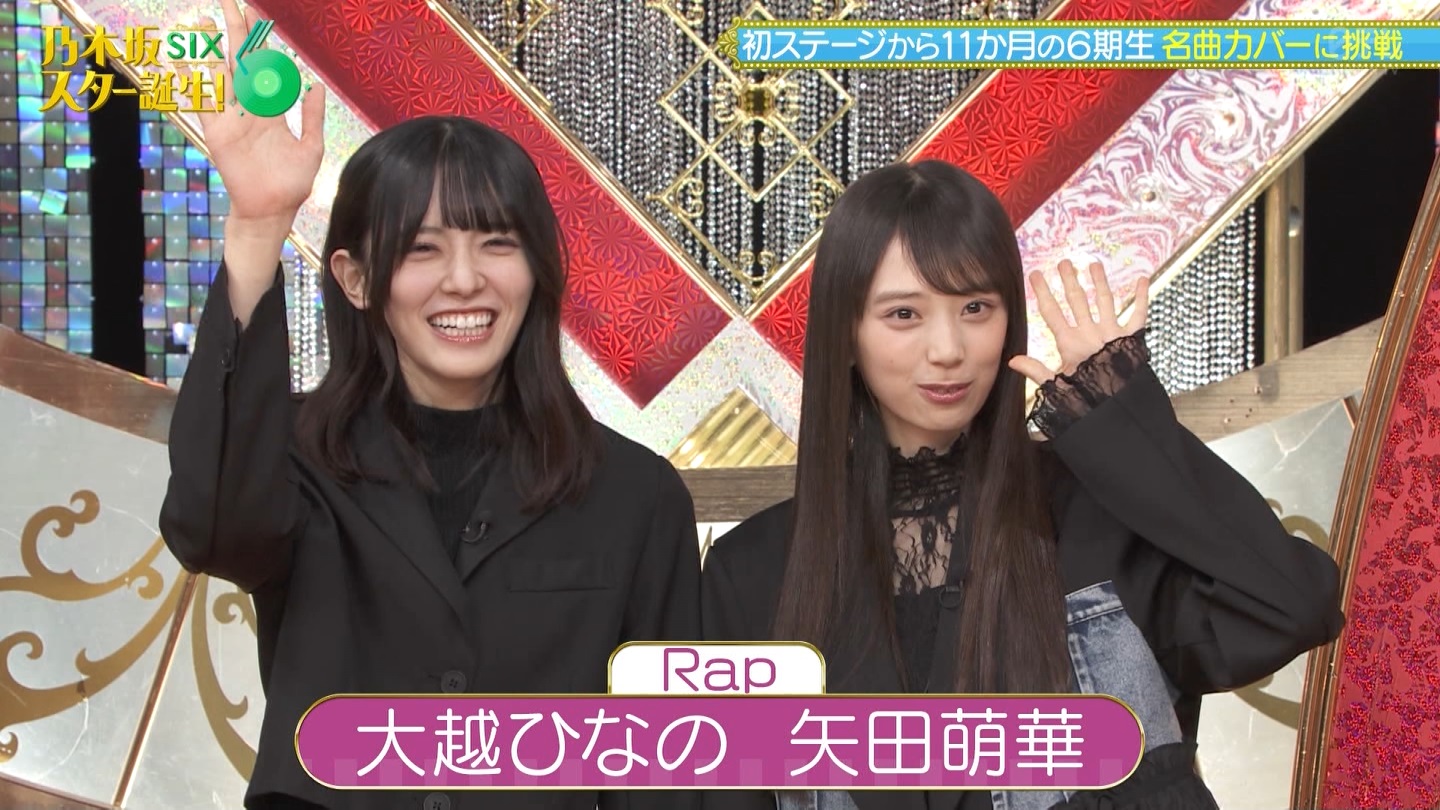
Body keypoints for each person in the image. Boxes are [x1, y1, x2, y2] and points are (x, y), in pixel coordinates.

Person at [158, 2, 702, 808]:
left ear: (538, 269)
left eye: (496, 243)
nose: (464, 281)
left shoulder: (634, 493)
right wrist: (258, 226)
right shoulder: (296, 458)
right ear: (355, 279)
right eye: (422, 249)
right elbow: (208, 529)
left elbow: (664, 768)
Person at [700, 160, 1345, 810]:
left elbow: (1292, 606)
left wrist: (1123, 419)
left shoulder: (1099, 507)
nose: (948, 348)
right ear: (846, 333)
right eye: (904, 314)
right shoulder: (752, 572)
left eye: (975, 308)